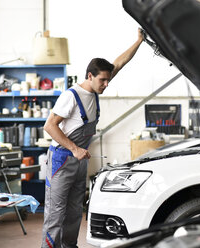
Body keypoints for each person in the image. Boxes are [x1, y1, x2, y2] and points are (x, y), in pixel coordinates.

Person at [41, 29, 144, 248]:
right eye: (103, 80)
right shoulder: (71, 96)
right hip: (61, 160)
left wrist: (139, 41)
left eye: (108, 80)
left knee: (75, 212)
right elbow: (49, 126)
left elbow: (120, 63)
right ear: (90, 76)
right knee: (55, 215)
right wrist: (75, 149)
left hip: (79, 161)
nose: (107, 84)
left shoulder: (96, 89)